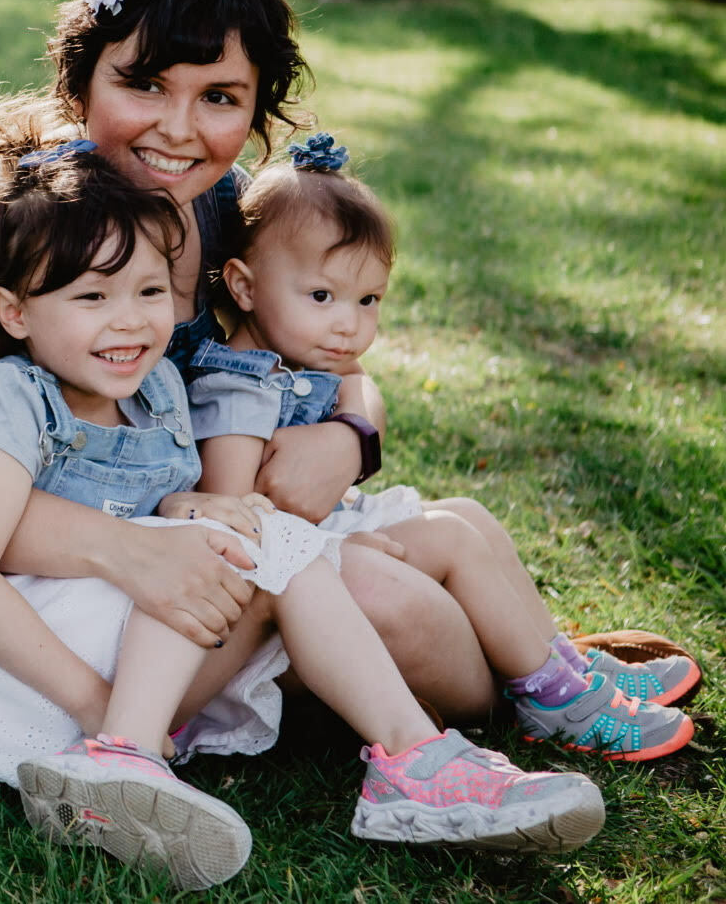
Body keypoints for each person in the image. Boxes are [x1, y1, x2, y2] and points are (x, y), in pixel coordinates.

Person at [0, 138, 605, 892]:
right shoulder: (10, 399)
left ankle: (407, 759)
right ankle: (132, 751)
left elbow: (153, 510)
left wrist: (190, 503)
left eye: (149, 293)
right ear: (14, 311)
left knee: (256, 539)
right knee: (245, 546)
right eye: (91, 297)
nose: (128, 323)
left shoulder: (158, 395)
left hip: (100, 641)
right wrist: (93, 703)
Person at [0, 0, 505, 722]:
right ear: (80, 84)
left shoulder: (221, 206)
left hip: (211, 533)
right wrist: (129, 544)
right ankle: (495, 717)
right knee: (393, 600)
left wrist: (352, 439)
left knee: (444, 541)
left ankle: (544, 675)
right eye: (143, 84)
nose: (177, 129)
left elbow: (330, 350)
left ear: (255, 111)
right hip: (48, 587)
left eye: (218, 98)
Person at [184, 132, 697, 759]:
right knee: (450, 536)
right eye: (322, 296)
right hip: (282, 577)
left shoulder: (300, 356)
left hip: (320, 540)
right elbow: (239, 523)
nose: (350, 322)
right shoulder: (240, 391)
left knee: (468, 516)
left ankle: (564, 669)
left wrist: (349, 425)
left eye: (368, 299)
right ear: (242, 286)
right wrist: (343, 540)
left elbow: (355, 390)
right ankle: (549, 696)